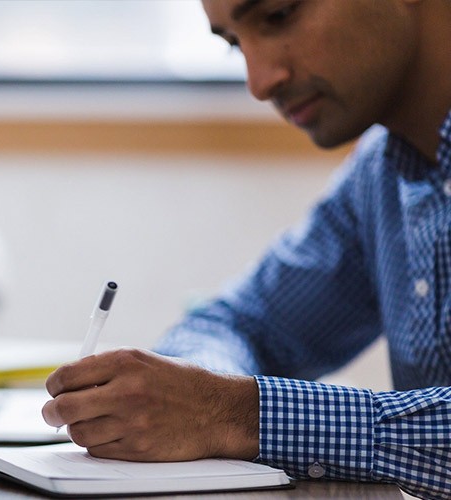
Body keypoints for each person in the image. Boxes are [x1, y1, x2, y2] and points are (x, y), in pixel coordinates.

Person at [40, 1, 451, 498]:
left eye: (278, 15)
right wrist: (187, 398)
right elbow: (239, 323)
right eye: (234, 44)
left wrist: (234, 413)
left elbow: (230, 404)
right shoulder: (381, 176)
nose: (259, 83)